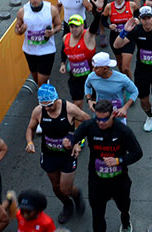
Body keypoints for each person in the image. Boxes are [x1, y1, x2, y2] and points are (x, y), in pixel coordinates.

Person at [66, 99, 144, 232]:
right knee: (97, 215)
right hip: (97, 181)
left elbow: (137, 153)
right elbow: (74, 137)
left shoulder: (123, 131)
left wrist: (118, 160)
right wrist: (70, 143)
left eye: (105, 119)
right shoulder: (89, 125)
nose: (100, 123)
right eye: (98, 119)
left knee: (124, 207)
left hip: (119, 181)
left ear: (113, 115)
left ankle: (126, 222)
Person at [26, 84, 89, 223]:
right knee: (56, 187)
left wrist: (77, 141)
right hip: (49, 154)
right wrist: (30, 142)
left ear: (56, 99)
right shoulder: (38, 111)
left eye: (49, 105)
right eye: (44, 106)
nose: (47, 108)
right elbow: (30, 128)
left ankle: (76, 195)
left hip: (67, 155)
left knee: (66, 189)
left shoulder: (69, 109)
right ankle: (67, 205)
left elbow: (88, 122)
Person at [13, 0, 60, 87]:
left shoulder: (51, 10)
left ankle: (44, 100)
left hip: (47, 50)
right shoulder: (22, 11)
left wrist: (53, 32)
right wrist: (20, 31)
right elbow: (17, 30)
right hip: (30, 51)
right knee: (36, 78)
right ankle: (44, 89)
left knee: (41, 82)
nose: (34, 0)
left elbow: (58, 25)